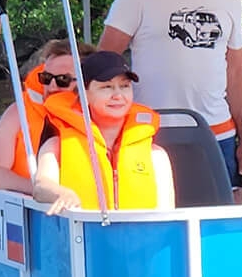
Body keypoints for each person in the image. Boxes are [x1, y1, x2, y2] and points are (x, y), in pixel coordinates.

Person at [98, 0, 242, 194]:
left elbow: (236, 71)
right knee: (154, 214)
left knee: (229, 213)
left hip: (219, 132)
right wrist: (107, 130)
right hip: (151, 131)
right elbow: (104, 61)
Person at [32, 49, 177, 213]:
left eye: (124, 86)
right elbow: (41, 186)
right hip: (83, 229)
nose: (118, 95)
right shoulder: (56, 146)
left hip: (139, 230)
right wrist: (62, 194)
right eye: (106, 87)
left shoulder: (156, 155)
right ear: (84, 94)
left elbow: (166, 214)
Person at [0, 39, 76, 195]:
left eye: (63, 80)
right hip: (31, 202)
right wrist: (41, 191)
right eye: (46, 78)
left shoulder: (103, 114)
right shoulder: (19, 112)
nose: (52, 86)